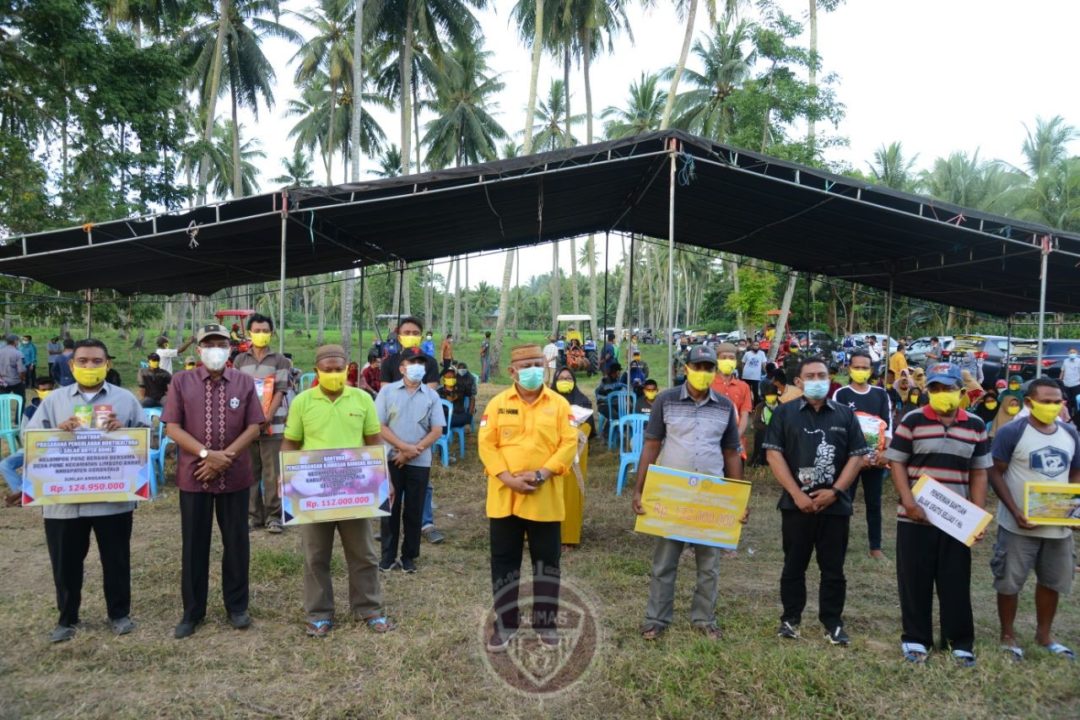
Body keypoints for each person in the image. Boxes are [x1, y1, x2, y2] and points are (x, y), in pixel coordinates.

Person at [25, 339, 145, 643]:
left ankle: (119, 614)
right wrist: (56, 432)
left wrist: (126, 431)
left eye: (96, 361)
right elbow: (32, 442)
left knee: (116, 560)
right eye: (83, 361)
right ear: (71, 364)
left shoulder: (125, 399)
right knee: (65, 562)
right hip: (64, 501)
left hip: (112, 498)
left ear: (107, 364)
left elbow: (146, 439)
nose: (89, 366)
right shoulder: (54, 401)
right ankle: (67, 618)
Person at [632, 345, 745, 640]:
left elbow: (731, 452)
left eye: (709, 368)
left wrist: (737, 499)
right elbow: (652, 444)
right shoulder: (665, 401)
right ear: (686, 369)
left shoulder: (723, 406)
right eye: (699, 367)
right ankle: (656, 619)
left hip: (712, 494)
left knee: (709, 564)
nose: (704, 373)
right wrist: (639, 489)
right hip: (673, 494)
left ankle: (704, 619)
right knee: (664, 562)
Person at [281, 344, 394, 637]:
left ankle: (369, 608)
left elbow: (373, 441)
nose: (334, 375)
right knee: (316, 555)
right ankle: (319, 614)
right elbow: (291, 444)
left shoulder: (362, 399)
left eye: (339, 370)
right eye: (328, 370)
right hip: (314, 492)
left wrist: (386, 479)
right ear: (317, 371)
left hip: (355, 490)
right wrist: (286, 483)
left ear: (347, 369)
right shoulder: (302, 402)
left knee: (364, 553)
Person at [163, 324, 264, 640]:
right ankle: (192, 612)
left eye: (221, 343)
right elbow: (173, 428)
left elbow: (254, 427)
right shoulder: (181, 381)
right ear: (199, 350)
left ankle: (237, 607)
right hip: (195, 476)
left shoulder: (245, 382)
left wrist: (225, 457)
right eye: (209, 344)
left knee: (236, 542)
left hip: (235, 476)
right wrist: (208, 454)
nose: (215, 349)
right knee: (194, 544)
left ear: (230, 348)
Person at [886, 363, 990, 666]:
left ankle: (958, 641)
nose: (941, 394)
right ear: (927, 389)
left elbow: (979, 472)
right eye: (935, 388)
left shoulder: (975, 425)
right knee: (914, 580)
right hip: (915, 516)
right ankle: (916, 639)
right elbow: (897, 464)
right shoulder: (913, 420)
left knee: (955, 580)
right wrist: (908, 502)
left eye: (947, 388)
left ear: (960, 390)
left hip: (957, 519)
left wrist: (977, 513)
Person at [478, 344, 578, 652]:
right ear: (512, 371)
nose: (533, 369)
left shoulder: (561, 405)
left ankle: (545, 625)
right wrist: (508, 478)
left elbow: (568, 443)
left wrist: (542, 474)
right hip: (504, 496)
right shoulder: (496, 404)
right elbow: (487, 445)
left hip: (543, 495)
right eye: (526, 365)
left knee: (547, 563)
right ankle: (506, 623)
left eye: (538, 363)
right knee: (504, 563)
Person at [765, 356, 869, 645]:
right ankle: (790, 619)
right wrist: (797, 494)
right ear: (798, 382)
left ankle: (833, 622)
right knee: (794, 565)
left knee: (833, 568)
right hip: (796, 505)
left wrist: (835, 492)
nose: (816, 381)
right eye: (809, 376)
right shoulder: (785, 414)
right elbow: (774, 455)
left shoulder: (845, 415)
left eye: (821, 375)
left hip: (835, 506)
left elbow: (857, 456)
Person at [988, 378, 1080, 661]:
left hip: (1058, 526)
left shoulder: (1070, 434)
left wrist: (1072, 505)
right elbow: (994, 472)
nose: (1052, 407)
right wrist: (1014, 510)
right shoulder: (1012, 432)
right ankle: (1008, 635)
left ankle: (1044, 635)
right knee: (1009, 581)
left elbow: (1075, 471)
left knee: (1052, 581)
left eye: (1057, 402)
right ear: (1029, 403)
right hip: (1017, 524)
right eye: (1046, 401)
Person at [377, 348, 445, 574]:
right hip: (391, 458)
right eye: (411, 362)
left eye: (420, 363)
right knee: (390, 508)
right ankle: (387, 557)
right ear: (402, 367)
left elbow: (436, 430)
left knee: (414, 510)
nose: (417, 366)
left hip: (419, 460)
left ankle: (409, 556)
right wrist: (403, 448)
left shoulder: (432, 396)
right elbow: (379, 426)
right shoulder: (387, 393)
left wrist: (412, 451)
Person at [232, 314, 293, 534]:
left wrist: (266, 417)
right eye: (256, 330)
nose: (261, 334)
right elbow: (235, 393)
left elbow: (280, 391)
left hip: (273, 425)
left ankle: (274, 516)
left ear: (271, 333)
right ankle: (252, 516)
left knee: (272, 472)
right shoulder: (240, 360)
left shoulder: (280, 361)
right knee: (249, 472)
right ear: (249, 333)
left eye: (265, 330)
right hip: (246, 427)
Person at [833, 350, 892, 560]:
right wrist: (857, 457)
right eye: (856, 367)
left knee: (874, 503)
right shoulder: (841, 394)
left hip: (875, 461)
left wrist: (881, 454)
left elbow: (888, 428)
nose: (860, 371)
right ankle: (839, 544)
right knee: (843, 501)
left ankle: (875, 547)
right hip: (850, 460)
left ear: (871, 369)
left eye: (864, 367)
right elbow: (837, 429)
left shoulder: (881, 394)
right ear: (849, 368)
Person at [552, 367, 593, 547]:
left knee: (570, 494)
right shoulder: (546, 400)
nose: (565, 380)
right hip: (550, 453)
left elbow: (589, 426)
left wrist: (576, 434)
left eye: (569, 378)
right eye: (561, 378)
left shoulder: (583, 401)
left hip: (575, 453)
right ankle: (543, 534)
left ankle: (569, 537)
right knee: (548, 494)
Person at [710, 343, 752, 457]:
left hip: (736, 443)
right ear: (717, 360)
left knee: (735, 474)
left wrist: (735, 437)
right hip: (710, 443)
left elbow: (744, 415)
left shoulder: (744, 387)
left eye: (731, 358)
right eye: (723, 358)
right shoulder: (707, 384)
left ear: (736, 361)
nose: (728, 360)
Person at [438, 367, 471, 433]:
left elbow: (470, 395)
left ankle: (443, 433)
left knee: (466, 416)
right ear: (444, 379)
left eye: (452, 376)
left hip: (458, 416)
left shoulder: (460, 389)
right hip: (445, 416)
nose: (451, 378)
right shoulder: (439, 391)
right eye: (448, 377)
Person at [0, 333, 26, 399]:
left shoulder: (1, 351)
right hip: (16, 381)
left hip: (2, 381)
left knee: (2, 400)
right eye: (18, 341)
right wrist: (23, 380)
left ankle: (3, 409)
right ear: (15, 341)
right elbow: (21, 370)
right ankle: (19, 410)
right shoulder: (18, 353)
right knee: (21, 399)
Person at [1060, 347, 1080, 420]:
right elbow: (1062, 371)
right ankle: (1069, 416)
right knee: (1067, 401)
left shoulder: (1079, 361)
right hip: (1066, 384)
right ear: (1068, 353)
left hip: (1076, 384)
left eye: (1074, 352)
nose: (1072, 354)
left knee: (1076, 401)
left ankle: (1077, 416)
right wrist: (1060, 380)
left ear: (1077, 353)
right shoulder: (1065, 361)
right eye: (1071, 352)